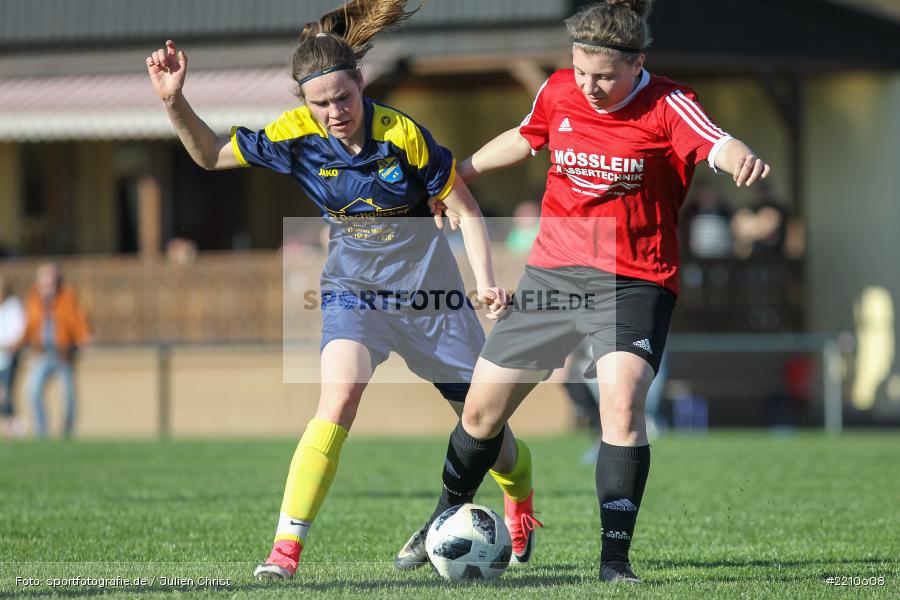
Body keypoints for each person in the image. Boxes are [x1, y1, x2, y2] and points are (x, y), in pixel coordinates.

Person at [145, 0, 539, 581]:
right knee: (338, 400)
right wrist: (174, 100)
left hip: (431, 301)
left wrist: (485, 285)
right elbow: (208, 155)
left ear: (361, 83)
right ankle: (285, 548)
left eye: (343, 98)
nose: (334, 112)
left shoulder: (402, 135)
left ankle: (521, 501)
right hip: (354, 293)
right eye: (320, 102)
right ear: (304, 102)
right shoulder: (295, 134)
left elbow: (467, 208)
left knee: (484, 426)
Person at [410, 0, 771, 584]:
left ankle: (614, 563)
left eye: (604, 75)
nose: (590, 86)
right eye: (581, 71)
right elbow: (526, 138)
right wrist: (456, 174)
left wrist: (740, 160)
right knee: (480, 410)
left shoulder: (669, 104)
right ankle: (439, 519)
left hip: (635, 282)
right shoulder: (557, 91)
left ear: (637, 65)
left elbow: (717, 142)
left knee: (622, 404)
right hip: (554, 276)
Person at [21, 263, 91, 438]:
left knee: (67, 397)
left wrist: (83, 337)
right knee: (33, 393)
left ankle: (67, 433)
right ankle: (41, 432)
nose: (48, 286)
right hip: (41, 353)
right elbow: (28, 325)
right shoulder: (33, 299)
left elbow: (77, 319)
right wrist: (18, 343)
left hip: (62, 354)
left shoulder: (67, 297)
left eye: (51, 281)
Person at [0, 275, 26, 438]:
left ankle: (14, 426)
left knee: (7, 394)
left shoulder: (13, 306)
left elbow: (18, 334)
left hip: (8, 359)